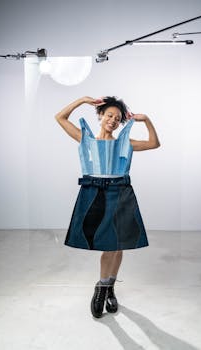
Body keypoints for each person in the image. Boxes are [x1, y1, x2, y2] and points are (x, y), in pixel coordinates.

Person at [55, 96, 161, 318]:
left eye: (118, 118)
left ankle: (106, 287)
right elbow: (60, 117)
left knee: (117, 244)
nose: (113, 120)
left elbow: (154, 143)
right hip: (94, 193)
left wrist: (147, 120)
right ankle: (103, 288)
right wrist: (83, 100)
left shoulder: (125, 143)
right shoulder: (85, 139)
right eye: (110, 115)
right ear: (100, 115)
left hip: (120, 191)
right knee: (109, 244)